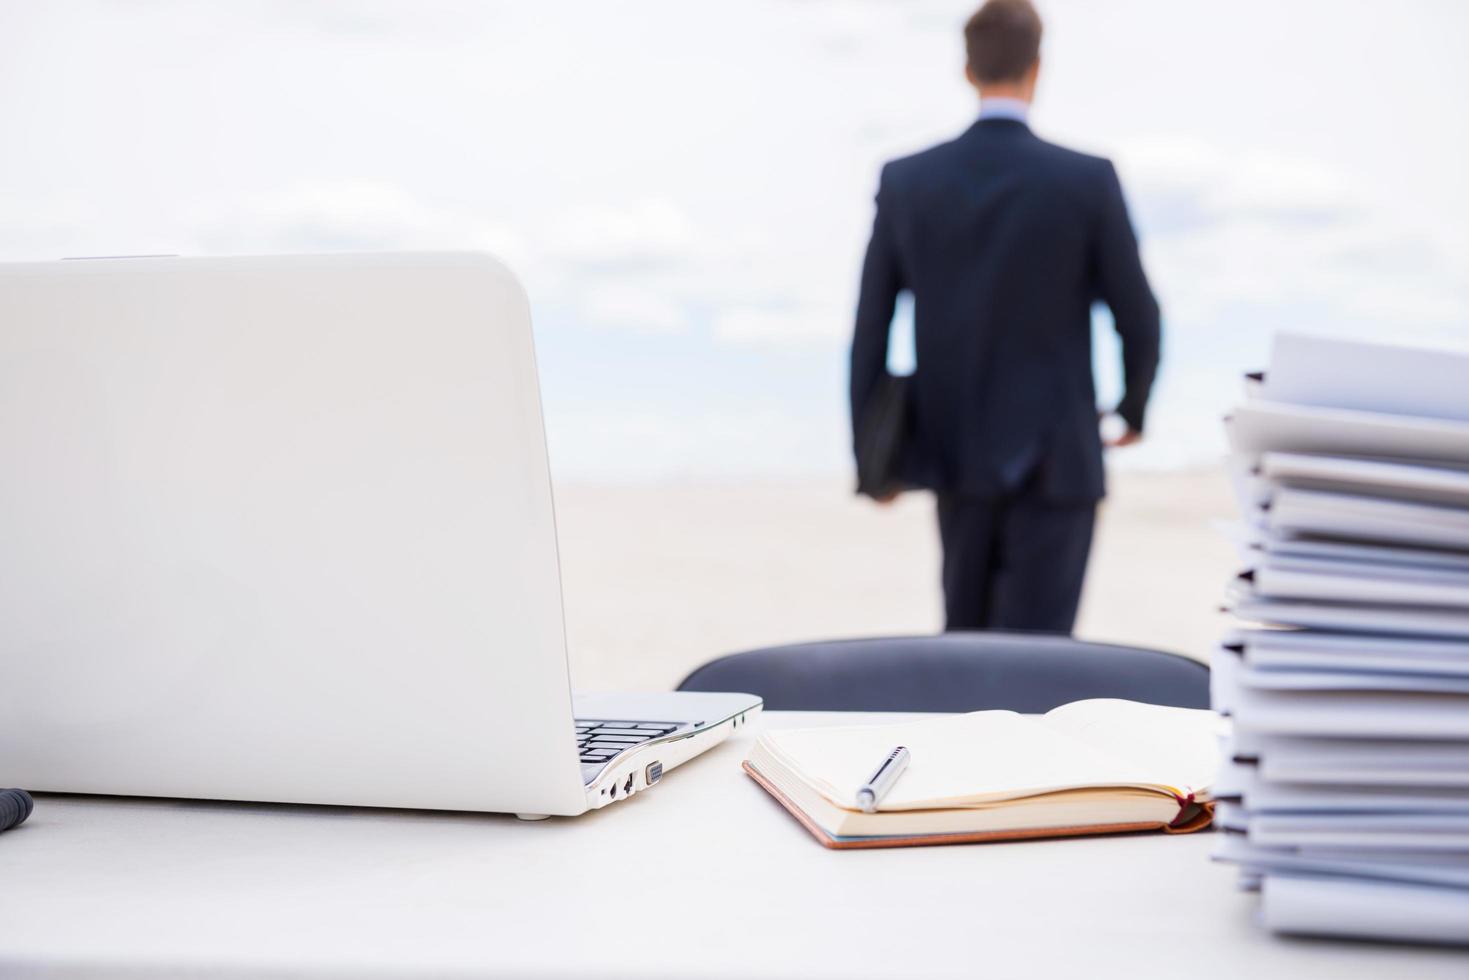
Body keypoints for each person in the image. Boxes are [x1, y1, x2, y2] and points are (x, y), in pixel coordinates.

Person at [849, 0, 1160, 634]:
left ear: (967, 69)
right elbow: (1139, 315)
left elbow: (870, 330)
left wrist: (872, 460)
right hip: (1061, 462)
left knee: (965, 653)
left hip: (952, 454)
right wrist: (1131, 408)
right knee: (1043, 664)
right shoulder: (1086, 180)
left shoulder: (908, 180)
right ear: (1036, 69)